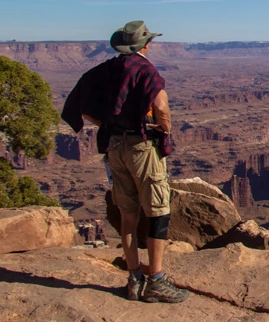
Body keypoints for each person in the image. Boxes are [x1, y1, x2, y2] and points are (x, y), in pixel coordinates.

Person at [61, 20, 188, 303]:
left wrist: (107, 123)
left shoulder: (105, 70)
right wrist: (164, 128)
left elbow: (80, 105)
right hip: (140, 148)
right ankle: (155, 280)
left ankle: (134, 279)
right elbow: (161, 108)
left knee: (127, 215)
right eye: (149, 41)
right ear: (144, 44)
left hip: (115, 147)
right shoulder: (145, 70)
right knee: (157, 211)